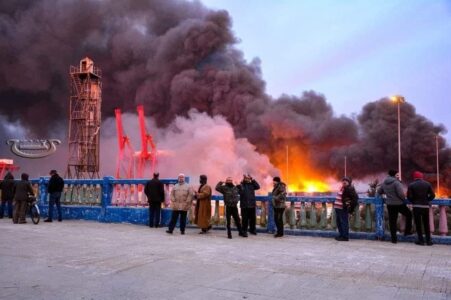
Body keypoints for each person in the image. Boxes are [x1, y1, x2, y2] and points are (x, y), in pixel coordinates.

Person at [377, 169, 412, 243]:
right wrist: (403, 199)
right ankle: (407, 231)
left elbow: (379, 191)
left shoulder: (384, 183)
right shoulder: (396, 183)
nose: (398, 176)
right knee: (409, 214)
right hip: (399, 204)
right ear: (394, 175)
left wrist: (386, 195)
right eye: (397, 175)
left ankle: (394, 239)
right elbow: (401, 194)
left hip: (390, 204)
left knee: (392, 221)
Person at [407, 171, 435, 246]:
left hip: (416, 207)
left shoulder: (411, 185)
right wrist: (427, 200)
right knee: (426, 224)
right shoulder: (427, 184)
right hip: (425, 206)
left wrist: (414, 201)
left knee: (418, 224)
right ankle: (429, 241)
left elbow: (409, 197)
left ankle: (421, 241)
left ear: (414, 177)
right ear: (421, 177)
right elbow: (433, 195)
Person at [334, 177, 358, 241]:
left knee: (344, 222)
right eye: (343, 180)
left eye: (346, 181)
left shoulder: (350, 189)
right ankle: (341, 235)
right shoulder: (342, 188)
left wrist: (350, 208)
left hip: (342, 208)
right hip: (338, 208)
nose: (344, 182)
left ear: (349, 182)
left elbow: (355, 199)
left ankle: (345, 237)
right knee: (339, 223)